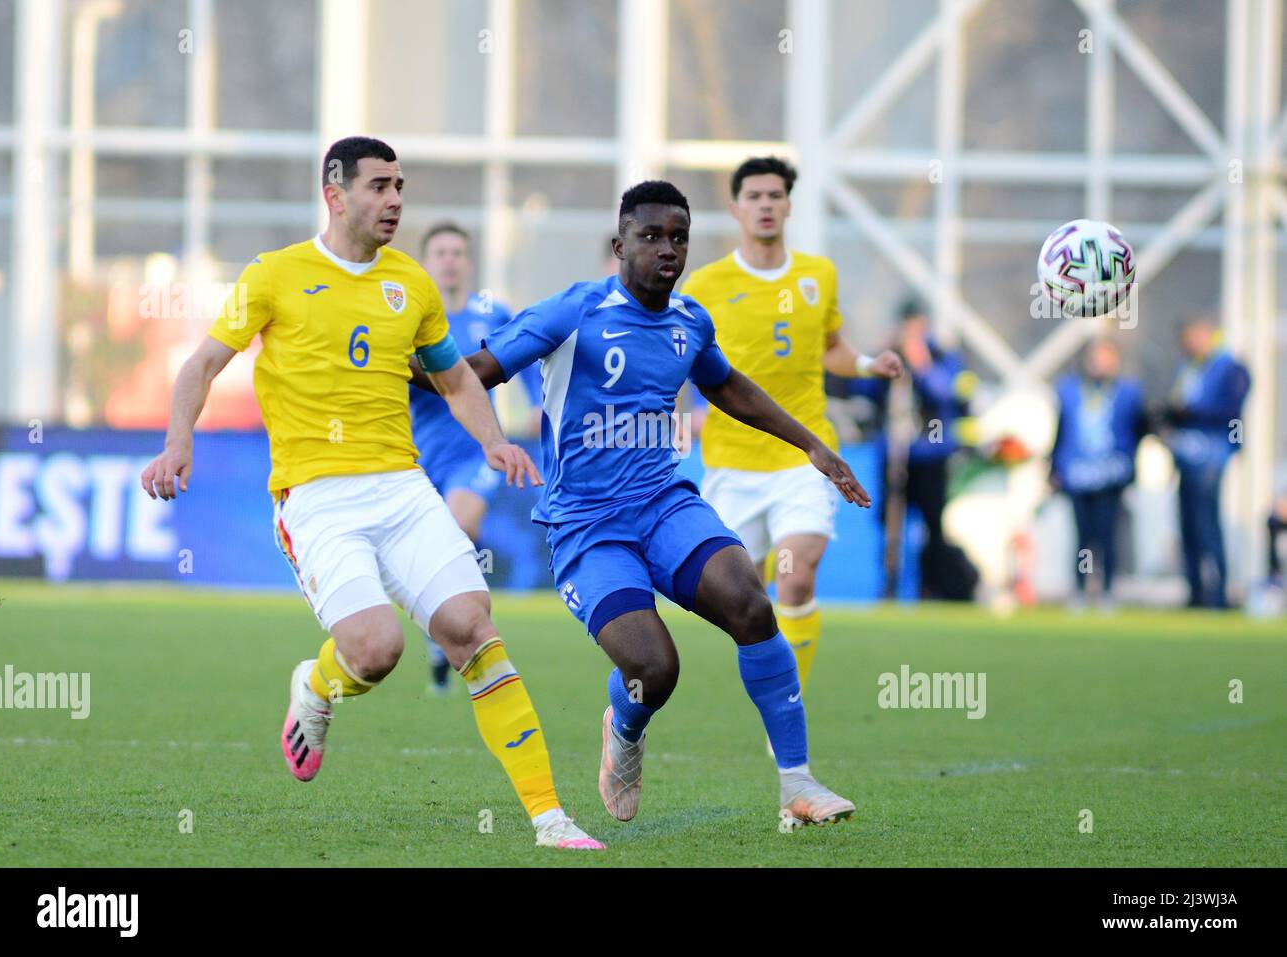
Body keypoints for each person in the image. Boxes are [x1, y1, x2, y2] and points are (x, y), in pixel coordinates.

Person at [139, 136, 603, 851]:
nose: (394, 200)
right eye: (379, 186)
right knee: (377, 647)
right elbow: (201, 363)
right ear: (335, 192)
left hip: (402, 487)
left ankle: (550, 817)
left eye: (400, 187)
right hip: (317, 497)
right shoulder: (276, 275)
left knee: (473, 629)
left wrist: (493, 441)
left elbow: (453, 377)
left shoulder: (410, 284)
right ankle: (318, 685)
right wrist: (178, 442)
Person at [413, 181, 870, 828]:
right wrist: (389, 365)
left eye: (678, 237)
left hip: (664, 504)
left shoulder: (689, 321)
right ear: (620, 244)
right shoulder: (574, 311)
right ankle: (624, 729)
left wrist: (814, 447)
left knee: (751, 601)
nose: (667, 249)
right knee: (655, 669)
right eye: (652, 236)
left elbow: (729, 386)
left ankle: (797, 780)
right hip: (587, 526)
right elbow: (476, 370)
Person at [678, 156, 901, 705]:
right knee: (740, 600)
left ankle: (786, 708)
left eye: (775, 195)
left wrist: (870, 364)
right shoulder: (706, 284)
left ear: (789, 206)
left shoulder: (817, 275)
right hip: (732, 464)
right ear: (735, 208)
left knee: (797, 576)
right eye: (754, 196)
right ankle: (767, 669)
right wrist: (681, 417)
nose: (766, 205)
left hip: (805, 459)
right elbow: (681, 361)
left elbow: (831, 351)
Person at [410, 221, 542, 693]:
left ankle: (462, 632)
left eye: (457, 252)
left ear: (468, 262)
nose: (449, 260)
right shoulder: (411, 319)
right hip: (420, 457)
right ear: (426, 262)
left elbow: (526, 356)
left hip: (478, 453)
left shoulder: (492, 314)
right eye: (440, 252)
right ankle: (441, 634)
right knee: (426, 554)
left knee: (460, 526)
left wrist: (536, 403)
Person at [846, 300, 979, 600]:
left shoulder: (942, 355)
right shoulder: (889, 353)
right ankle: (890, 582)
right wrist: (874, 362)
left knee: (933, 523)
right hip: (894, 454)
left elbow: (945, 393)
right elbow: (860, 391)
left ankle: (930, 586)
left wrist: (922, 364)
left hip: (930, 455)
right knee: (889, 520)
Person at [1159, 315, 1251, 609]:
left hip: (1211, 455)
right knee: (1188, 524)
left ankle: (1218, 593)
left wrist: (1190, 412)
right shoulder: (1188, 369)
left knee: (1207, 523)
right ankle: (1195, 592)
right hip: (1185, 455)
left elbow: (1230, 409)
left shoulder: (1231, 367)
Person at [1049, 338, 1146, 609]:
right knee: (1082, 536)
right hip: (1078, 474)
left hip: (1110, 473)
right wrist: (1053, 469)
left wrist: (1132, 471)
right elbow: (1061, 432)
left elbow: (1138, 432)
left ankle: (1107, 591)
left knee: (1107, 535)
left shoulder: (1127, 393)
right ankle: (1080, 589)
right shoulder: (1070, 391)